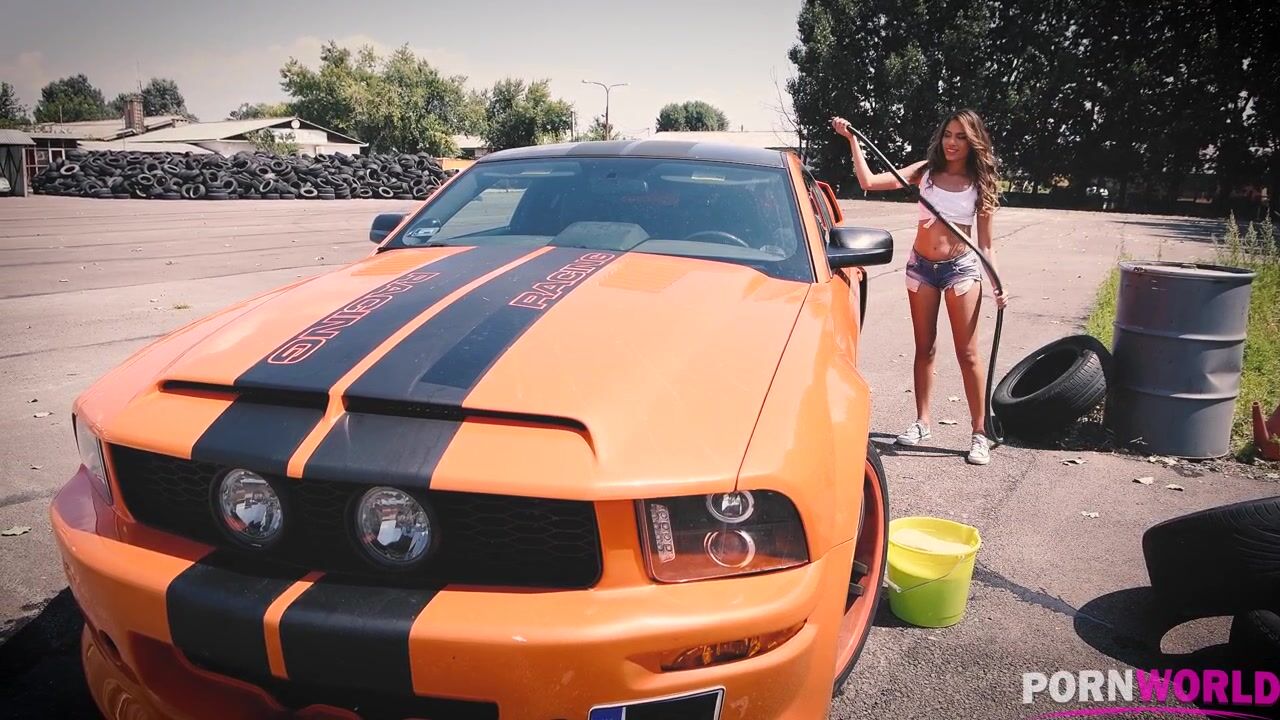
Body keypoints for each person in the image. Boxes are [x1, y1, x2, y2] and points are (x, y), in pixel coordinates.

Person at [831, 110, 1009, 465]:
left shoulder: (979, 182)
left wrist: (996, 283)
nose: (952, 142)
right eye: (948, 134)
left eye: (961, 136)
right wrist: (852, 140)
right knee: (924, 348)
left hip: (961, 269)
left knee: (968, 353)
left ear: (973, 141)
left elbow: (986, 245)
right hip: (921, 268)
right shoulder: (924, 171)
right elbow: (868, 181)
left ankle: (979, 433)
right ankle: (922, 423)